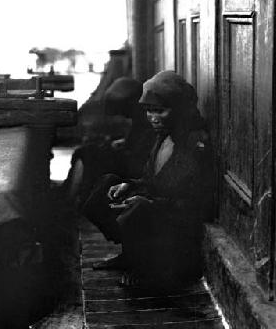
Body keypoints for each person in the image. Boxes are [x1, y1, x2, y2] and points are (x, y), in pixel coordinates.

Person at [82, 70, 214, 290]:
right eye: (149, 111)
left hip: (179, 228)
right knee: (105, 186)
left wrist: (151, 204)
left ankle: (147, 270)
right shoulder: (163, 137)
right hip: (160, 209)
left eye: (160, 111)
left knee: (137, 212)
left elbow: (195, 205)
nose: (152, 117)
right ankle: (129, 255)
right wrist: (131, 185)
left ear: (180, 109)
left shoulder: (194, 145)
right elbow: (150, 180)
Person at [64, 77, 155, 208]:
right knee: (86, 152)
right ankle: (75, 196)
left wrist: (117, 149)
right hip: (131, 159)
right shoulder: (142, 116)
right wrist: (121, 144)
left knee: (88, 155)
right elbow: (135, 142)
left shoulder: (145, 119)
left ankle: (79, 199)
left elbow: (139, 153)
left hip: (134, 165)